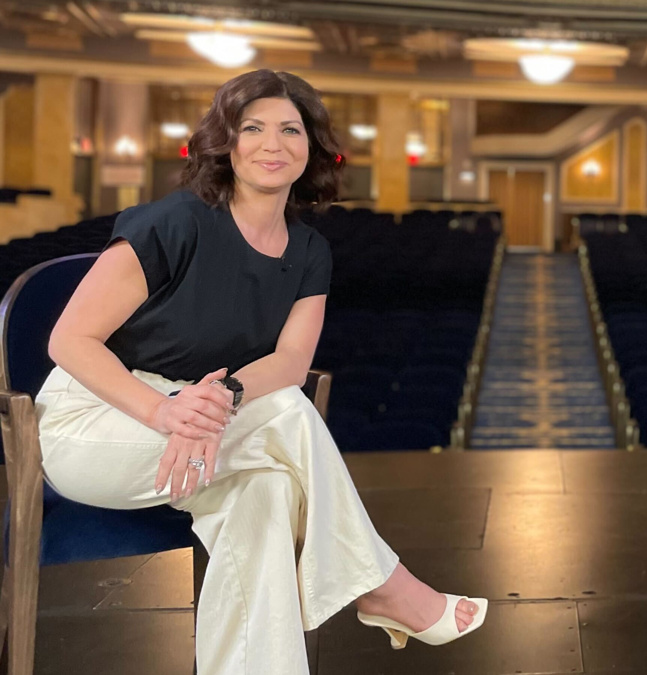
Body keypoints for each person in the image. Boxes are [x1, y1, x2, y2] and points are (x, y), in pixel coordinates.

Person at [35, 69, 486, 674]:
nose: (272, 145)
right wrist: (163, 411)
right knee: (284, 413)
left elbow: (290, 362)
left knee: (266, 491)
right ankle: (381, 583)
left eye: (290, 130)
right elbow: (69, 339)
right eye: (253, 128)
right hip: (94, 421)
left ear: (312, 148)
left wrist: (219, 400)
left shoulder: (309, 252)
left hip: (206, 420)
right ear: (226, 142)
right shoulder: (174, 221)